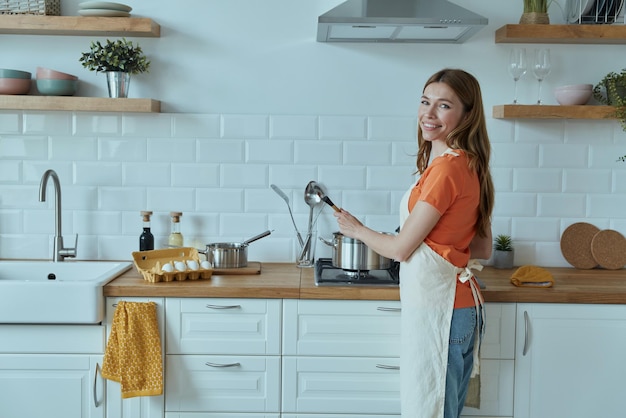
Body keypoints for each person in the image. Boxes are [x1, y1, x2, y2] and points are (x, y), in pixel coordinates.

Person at [333, 68, 494, 418]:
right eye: (425, 102)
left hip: (441, 310)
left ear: (467, 115)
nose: (429, 113)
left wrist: (357, 229)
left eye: (444, 105)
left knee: (430, 410)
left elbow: (400, 249)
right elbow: (481, 248)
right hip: (460, 309)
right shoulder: (470, 164)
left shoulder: (447, 170)